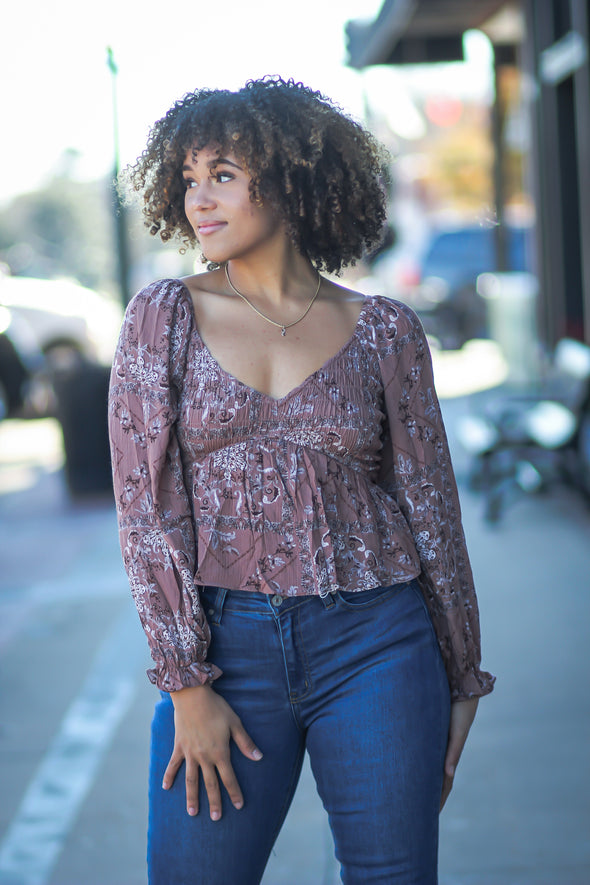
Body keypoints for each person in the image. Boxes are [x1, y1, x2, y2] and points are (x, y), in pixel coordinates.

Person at [108, 76, 494, 885]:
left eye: (222, 174)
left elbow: (432, 512)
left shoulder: (385, 330)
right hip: (227, 649)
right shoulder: (163, 317)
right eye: (186, 179)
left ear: (288, 178)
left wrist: (462, 676)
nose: (198, 201)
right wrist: (186, 684)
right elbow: (147, 514)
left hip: (380, 644)